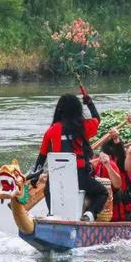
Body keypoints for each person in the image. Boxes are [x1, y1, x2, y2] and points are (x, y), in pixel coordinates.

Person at [33, 93, 108, 222]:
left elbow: (41, 158)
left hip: (56, 177)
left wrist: (34, 177)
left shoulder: (51, 130)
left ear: (59, 110)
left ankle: (52, 214)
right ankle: (89, 215)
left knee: (47, 191)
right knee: (102, 193)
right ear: (78, 110)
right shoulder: (84, 126)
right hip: (79, 177)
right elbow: (97, 119)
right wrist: (90, 103)